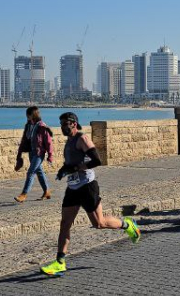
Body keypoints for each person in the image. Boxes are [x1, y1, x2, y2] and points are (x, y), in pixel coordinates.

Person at [40, 113, 140, 276]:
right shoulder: (69, 141)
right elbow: (71, 162)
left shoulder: (82, 139)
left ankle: (128, 225)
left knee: (99, 223)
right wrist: (64, 169)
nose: (62, 127)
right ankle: (59, 262)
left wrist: (75, 168)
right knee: (65, 223)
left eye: (65, 123)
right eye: (60, 124)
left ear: (74, 124)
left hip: (87, 186)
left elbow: (96, 160)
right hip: (72, 188)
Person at [14, 106, 54, 203]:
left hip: (39, 153)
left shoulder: (42, 126)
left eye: (29, 114)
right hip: (31, 152)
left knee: (30, 172)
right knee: (39, 172)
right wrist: (19, 153)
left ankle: (23, 194)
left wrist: (50, 155)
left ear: (33, 115)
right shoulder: (28, 125)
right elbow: (25, 139)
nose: (27, 116)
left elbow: (48, 142)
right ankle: (47, 191)